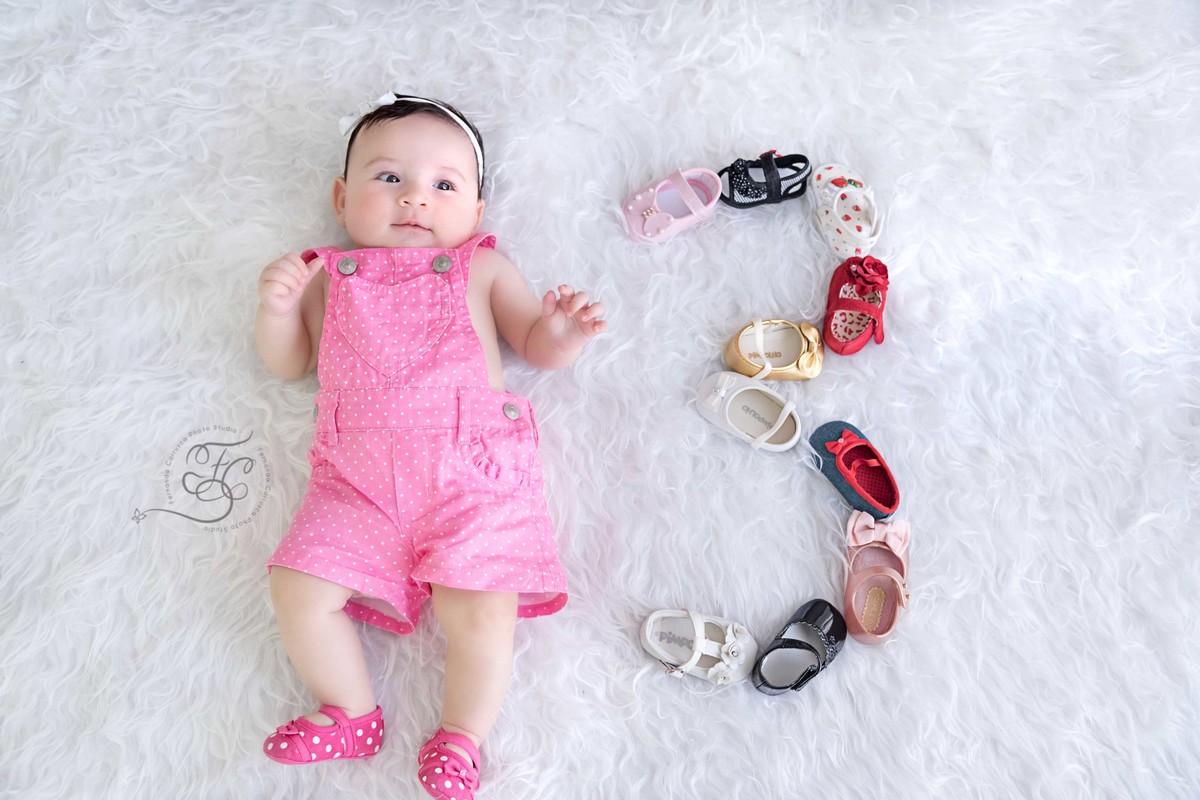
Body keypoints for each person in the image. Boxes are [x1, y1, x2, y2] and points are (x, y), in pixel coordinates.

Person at [254, 93, 605, 799]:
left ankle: (460, 737)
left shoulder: (482, 268)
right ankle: (351, 711)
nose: (415, 196)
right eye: (389, 177)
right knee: (297, 583)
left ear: (475, 212)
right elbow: (290, 365)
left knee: (483, 608)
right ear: (341, 198)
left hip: (470, 476)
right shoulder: (325, 276)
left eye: (444, 185)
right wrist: (278, 310)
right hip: (355, 484)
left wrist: (561, 334)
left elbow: (534, 345)